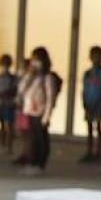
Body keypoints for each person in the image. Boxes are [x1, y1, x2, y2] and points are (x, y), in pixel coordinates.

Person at [18, 47, 59, 176]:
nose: (35, 63)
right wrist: (29, 74)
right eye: (34, 59)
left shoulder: (48, 77)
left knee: (41, 138)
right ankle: (32, 162)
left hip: (40, 112)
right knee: (32, 138)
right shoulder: (31, 76)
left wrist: (46, 116)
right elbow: (21, 89)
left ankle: (40, 163)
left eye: (38, 60)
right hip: (29, 110)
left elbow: (50, 98)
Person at [80, 45, 101, 162]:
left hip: (99, 103)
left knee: (98, 127)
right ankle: (89, 151)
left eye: (98, 56)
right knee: (89, 127)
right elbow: (85, 89)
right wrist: (84, 101)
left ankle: (99, 152)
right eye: (94, 56)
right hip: (89, 103)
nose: (96, 58)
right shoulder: (87, 73)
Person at [0, 53, 19, 154]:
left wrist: (6, 93)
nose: (4, 66)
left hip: (9, 103)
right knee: (2, 124)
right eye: (3, 64)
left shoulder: (13, 78)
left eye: (6, 64)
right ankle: (3, 144)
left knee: (9, 125)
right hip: (0, 103)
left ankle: (9, 146)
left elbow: (15, 89)